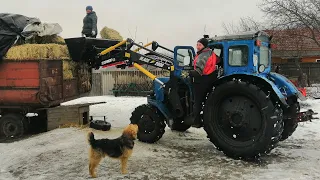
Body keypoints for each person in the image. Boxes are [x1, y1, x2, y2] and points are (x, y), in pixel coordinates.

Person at [184, 38, 220, 128]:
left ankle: (196, 121)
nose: (197, 46)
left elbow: (198, 71)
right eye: (197, 44)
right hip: (210, 78)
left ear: (204, 46)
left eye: (199, 45)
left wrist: (188, 73)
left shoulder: (203, 55)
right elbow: (218, 60)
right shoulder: (211, 53)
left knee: (197, 101)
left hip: (201, 80)